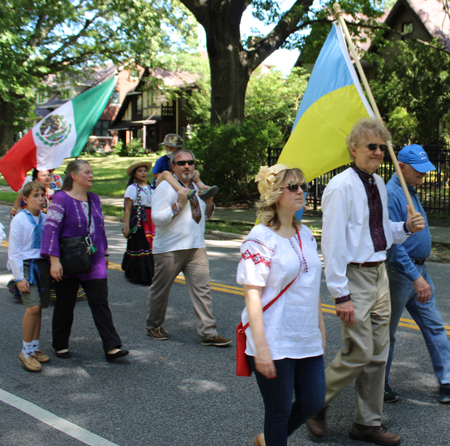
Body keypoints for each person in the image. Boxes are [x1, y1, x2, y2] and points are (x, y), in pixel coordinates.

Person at [307, 118, 425, 446]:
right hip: (354, 276)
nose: (377, 152)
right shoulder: (340, 187)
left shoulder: (377, 184)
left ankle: (368, 424)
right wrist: (340, 293)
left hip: (379, 274)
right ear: (353, 148)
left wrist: (406, 229)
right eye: (371, 146)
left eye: (381, 147)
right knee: (358, 352)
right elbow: (331, 243)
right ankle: (312, 405)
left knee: (378, 354)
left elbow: (381, 232)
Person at [237, 164, 326, 446]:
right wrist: (261, 348)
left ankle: (268, 440)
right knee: (279, 411)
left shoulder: (307, 235)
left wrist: (320, 329)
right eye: (293, 187)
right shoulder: (259, 239)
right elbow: (252, 294)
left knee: (313, 401)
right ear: (275, 194)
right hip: (274, 338)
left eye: (303, 186)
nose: (301, 191)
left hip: (306, 335)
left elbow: (311, 288)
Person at [385, 144, 450, 403]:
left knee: (434, 324)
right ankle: (378, 385)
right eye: (419, 171)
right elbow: (393, 246)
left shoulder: (410, 189)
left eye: (425, 171)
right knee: (387, 333)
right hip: (402, 273)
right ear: (400, 166)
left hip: (419, 270)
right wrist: (415, 277)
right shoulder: (392, 194)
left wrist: (420, 273)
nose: (424, 175)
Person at [41, 160, 128, 361]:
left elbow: (100, 228)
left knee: (100, 302)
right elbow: (51, 229)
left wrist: (105, 254)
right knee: (65, 304)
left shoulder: (94, 199)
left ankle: (112, 346)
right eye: (87, 172)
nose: (91, 175)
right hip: (68, 261)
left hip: (94, 260)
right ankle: (60, 344)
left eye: (91, 172)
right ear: (74, 175)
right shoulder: (60, 199)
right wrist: (54, 260)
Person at [145, 149, 230, 346]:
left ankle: (208, 333)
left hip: (196, 247)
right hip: (169, 249)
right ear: (173, 167)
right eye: (181, 163)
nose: (186, 166)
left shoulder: (198, 187)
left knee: (203, 290)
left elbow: (206, 215)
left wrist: (209, 203)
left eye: (190, 162)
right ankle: (154, 325)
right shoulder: (165, 188)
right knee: (161, 290)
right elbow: (157, 219)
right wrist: (178, 204)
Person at [8, 182, 52, 372]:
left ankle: (34, 347)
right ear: (25, 200)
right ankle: (25, 351)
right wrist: (19, 277)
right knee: (32, 307)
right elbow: (14, 250)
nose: (41, 199)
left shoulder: (45, 218)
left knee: (39, 308)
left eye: (43, 195)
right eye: (36, 195)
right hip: (26, 265)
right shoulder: (19, 220)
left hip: (42, 264)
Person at [153, 133, 218, 200]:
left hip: (178, 178)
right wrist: (171, 175)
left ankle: (203, 189)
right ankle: (181, 190)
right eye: (167, 147)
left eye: (172, 147)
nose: (169, 149)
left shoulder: (181, 156)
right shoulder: (162, 160)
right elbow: (154, 174)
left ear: (179, 148)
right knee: (166, 173)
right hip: (162, 180)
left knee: (195, 173)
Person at [122, 161, 155, 285]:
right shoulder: (132, 189)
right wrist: (127, 227)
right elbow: (128, 209)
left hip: (151, 219)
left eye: (145, 171)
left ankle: (153, 274)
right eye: (140, 171)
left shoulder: (151, 188)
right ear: (134, 175)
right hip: (139, 220)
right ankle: (141, 275)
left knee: (152, 245)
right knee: (142, 245)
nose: (143, 173)